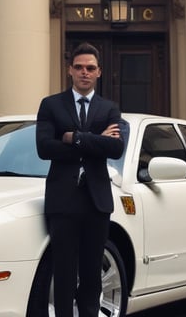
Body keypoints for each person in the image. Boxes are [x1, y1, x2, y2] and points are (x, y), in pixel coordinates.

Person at [36, 42, 125, 317]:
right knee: (63, 271)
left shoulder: (109, 109)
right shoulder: (51, 105)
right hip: (63, 201)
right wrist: (96, 140)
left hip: (97, 201)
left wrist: (74, 137)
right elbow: (44, 148)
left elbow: (116, 148)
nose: (84, 72)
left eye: (90, 68)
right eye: (79, 67)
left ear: (99, 72)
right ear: (69, 71)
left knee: (91, 273)